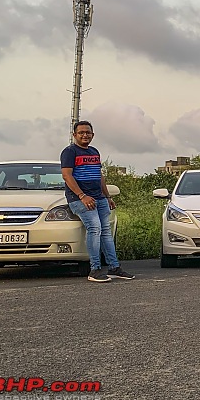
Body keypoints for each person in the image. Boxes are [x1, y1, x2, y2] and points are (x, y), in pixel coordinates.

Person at [61, 121, 134, 282]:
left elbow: (99, 175)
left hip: (99, 198)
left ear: (92, 135)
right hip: (80, 199)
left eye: (88, 132)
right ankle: (95, 270)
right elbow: (67, 176)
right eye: (81, 133)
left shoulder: (94, 152)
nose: (85, 135)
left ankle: (114, 267)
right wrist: (82, 196)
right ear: (74, 135)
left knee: (106, 231)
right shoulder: (69, 152)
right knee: (95, 229)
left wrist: (107, 196)